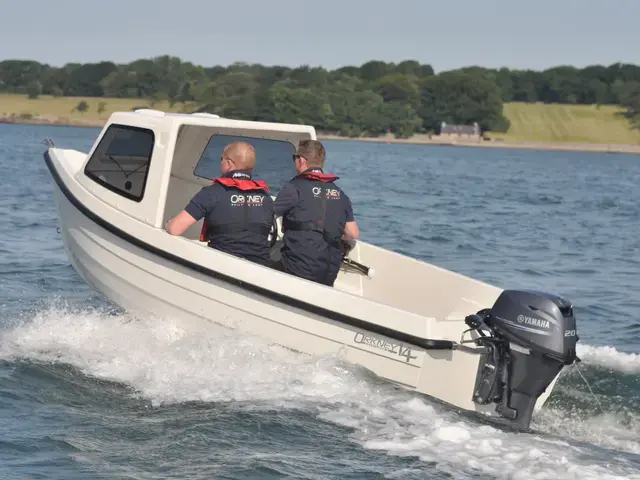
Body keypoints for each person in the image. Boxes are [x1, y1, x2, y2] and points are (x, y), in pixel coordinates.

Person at [166, 141, 275, 266]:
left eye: (221, 159)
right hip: (258, 268)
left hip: (221, 265)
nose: (221, 162)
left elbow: (175, 229)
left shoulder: (212, 193)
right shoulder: (266, 198)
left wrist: (168, 224)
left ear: (228, 163)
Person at [273, 139, 359, 286]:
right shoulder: (340, 194)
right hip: (328, 275)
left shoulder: (294, 188)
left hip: (296, 270)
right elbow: (352, 233)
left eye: (294, 158)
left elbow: (265, 216)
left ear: (301, 161)